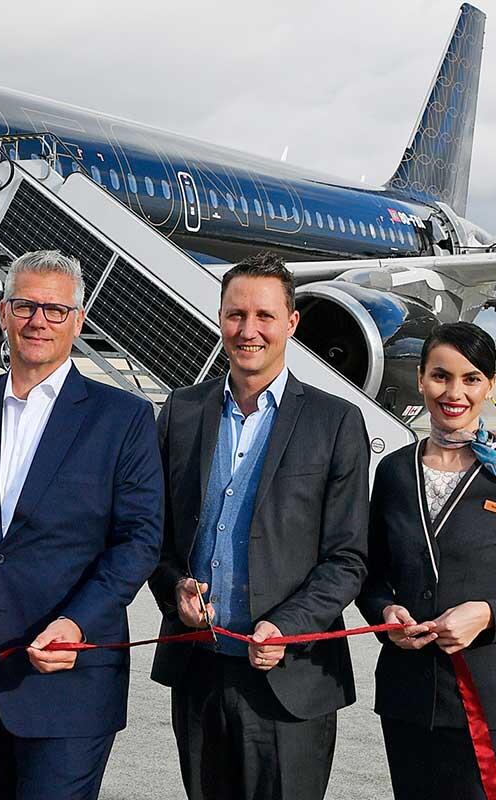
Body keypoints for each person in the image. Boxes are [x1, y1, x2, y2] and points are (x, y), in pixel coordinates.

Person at [0, 249, 163, 800]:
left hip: (68, 676)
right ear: (3, 312)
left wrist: (79, 622)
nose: (38, 320)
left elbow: (138, 540)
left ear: (79, 319)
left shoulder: (124, 417)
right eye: (25, 306)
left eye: (55, 309)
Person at [148, 252, 371, 800]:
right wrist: (174, 585)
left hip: (289, 679)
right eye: (235, 314)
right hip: (199, 672)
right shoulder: (180, 411)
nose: (249, 330)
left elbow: (348, 558)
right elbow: (152, 535)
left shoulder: (336, 421)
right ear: (219, 318)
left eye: (265, 316)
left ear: (292, 323)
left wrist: (288, 625)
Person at [355, 321, 496, 800]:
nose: (454, 392)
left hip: (491, 706)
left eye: (471, 378)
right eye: (441, 376)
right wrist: (384, 614)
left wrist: (489, 615)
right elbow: (370, 577)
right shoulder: (394, 471)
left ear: (489, 385)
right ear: (420, 378)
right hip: (408, 703)